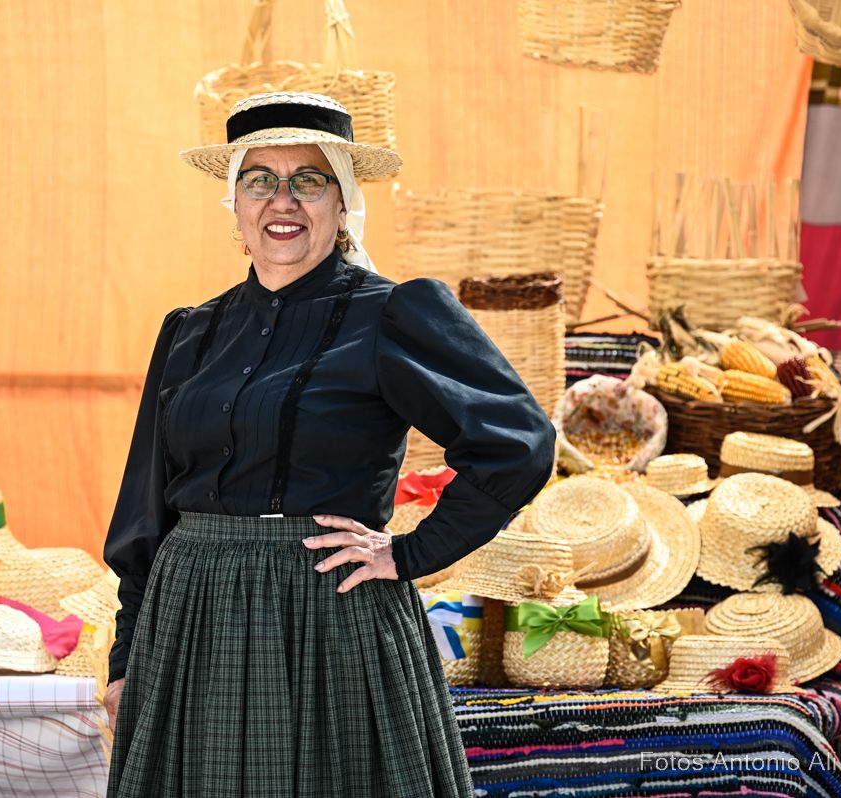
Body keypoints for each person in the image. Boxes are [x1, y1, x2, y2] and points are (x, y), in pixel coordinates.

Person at [102, 92, 555, 797]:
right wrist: (127, 657)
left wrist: (410, 553)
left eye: (308, 180)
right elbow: (145, 505)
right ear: (235, 204)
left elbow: (517, 442)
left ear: (342, 203)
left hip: (326, 610)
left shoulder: (392, 314)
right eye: (260, 180)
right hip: (189, 618)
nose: (282, 200)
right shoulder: (190, 331)